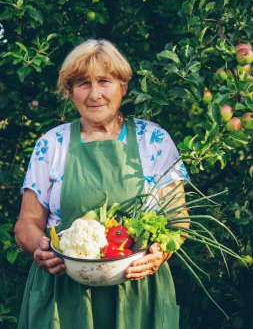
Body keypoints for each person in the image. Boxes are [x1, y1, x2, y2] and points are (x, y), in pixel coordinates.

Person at [15, 39, 190, 329]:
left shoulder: (153, 141)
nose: (95, 94)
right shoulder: (52, 144)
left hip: (138, 292)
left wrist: (160, 252)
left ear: (122, 87)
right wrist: (42, 247)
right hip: (64, 294)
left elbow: (178, 219)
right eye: (83, 83)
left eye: (104, 81)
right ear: (70, 92)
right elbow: (26, 223)